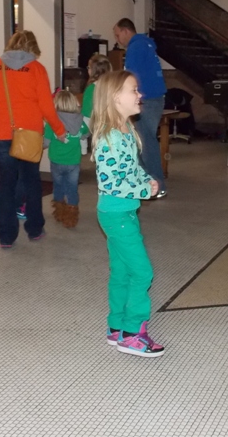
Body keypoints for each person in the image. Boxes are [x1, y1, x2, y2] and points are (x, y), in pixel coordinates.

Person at [91, 70, 164, 357]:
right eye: (133, 90)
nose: (140, 95)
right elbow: (111, 183)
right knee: (142, 272)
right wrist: (144, 190)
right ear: (115, 98)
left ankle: (117, 326)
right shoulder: (110, 138)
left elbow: (130, 170)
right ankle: (133, 333)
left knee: (122, 270)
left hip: (122, 212)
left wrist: (147, 180)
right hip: (116, 214)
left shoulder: (126, 131)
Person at [0, 30, 66, 247]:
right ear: (33, 47)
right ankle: (34, 229)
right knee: (31, 181)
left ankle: (6, 236)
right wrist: (59, 129)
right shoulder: (36, 69)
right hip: (29, 133)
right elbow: (46, 106)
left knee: (6, 183)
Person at [112, 19, 167, 198]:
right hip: (155, 98)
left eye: (118, 34)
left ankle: (156, 186)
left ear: (126, 31)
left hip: (146, 100)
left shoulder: (135, 47)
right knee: (143, 142)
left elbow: (130, 78)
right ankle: (146, 184)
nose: (117, 39)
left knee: (145, 144)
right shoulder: (146, 44)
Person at [45, 90, 89, 228]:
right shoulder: (80, 121)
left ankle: (59, 212)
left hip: (56, 161)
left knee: (58, 186)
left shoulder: (52, 123)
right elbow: (86, 134)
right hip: (73, 162)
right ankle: (71, 217)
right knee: (72, 188)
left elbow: (45, 143)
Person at [81, 53, 112, 126]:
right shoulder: (114, 86)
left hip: (95, 126)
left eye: (89, 67)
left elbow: (86, 113)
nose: (88, 70)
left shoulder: (91, 88)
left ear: (93, 70)